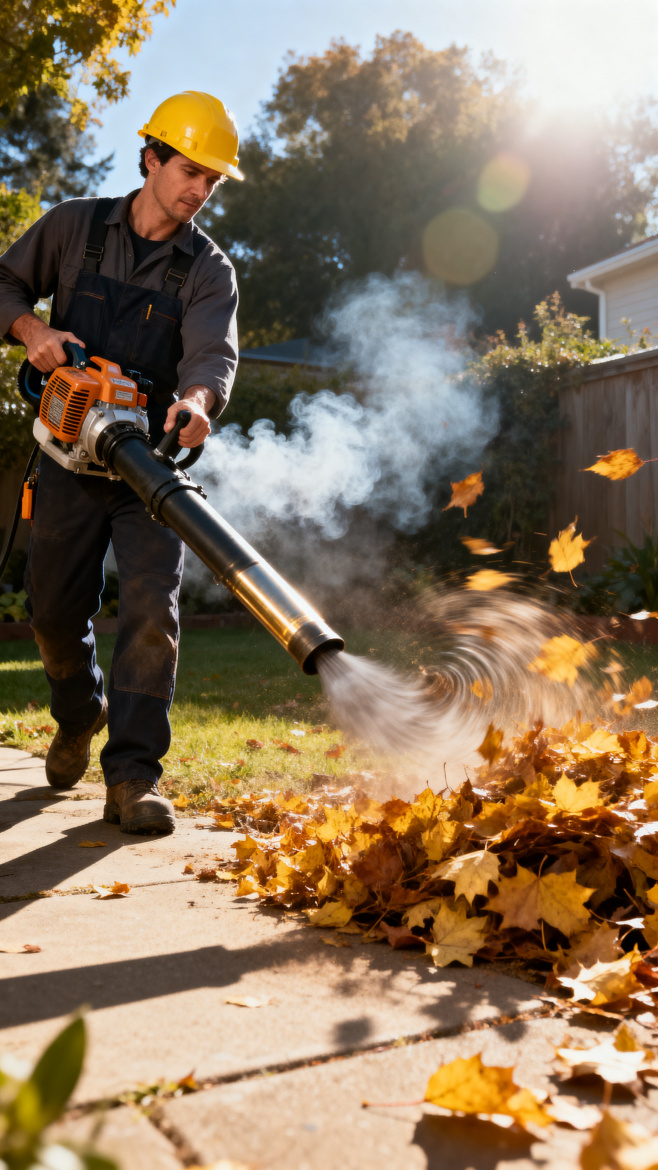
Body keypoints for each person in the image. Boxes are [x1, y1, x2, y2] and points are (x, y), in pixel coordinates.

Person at [0, 91, 242, 835]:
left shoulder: (209, 270)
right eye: (190, 171)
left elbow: (211, 356)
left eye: (212, 180)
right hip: (69, 465)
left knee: (151, 615)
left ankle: (134, 775)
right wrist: (31, 326)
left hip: (149, 473)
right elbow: (2, 282)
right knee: (51, 614)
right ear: (150, 158)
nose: (199, 190)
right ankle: (79, 712)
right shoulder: (75, 226)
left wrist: (198, 402)